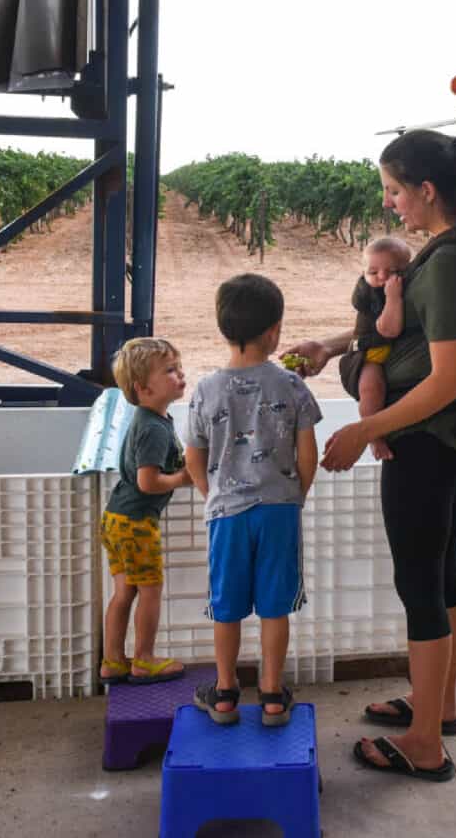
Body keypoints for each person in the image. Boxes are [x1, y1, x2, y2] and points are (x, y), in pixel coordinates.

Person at [283, 129, 456, 781]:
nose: (390, 205)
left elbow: (443, 376)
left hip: (427, 436)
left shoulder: (444, 263)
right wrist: (334, 346)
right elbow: (407, 328)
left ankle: (423, 743)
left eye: (394, 191)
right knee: (442, 569)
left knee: (420, 581)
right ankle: (439, 705)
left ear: (427, 191)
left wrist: (365, 428)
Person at [185, 274, 321, 726]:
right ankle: (271, 696)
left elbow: (194, 456)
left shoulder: (205, 390)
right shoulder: (292, 387)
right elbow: (308, 453)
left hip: (226, 513)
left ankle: (224, 693)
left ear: (223, 329)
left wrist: (215, 495)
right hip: (279, 509)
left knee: (226, 605)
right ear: (275, 332)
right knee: (274, 605)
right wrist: (294, 495)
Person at [100, 338, 193, 685]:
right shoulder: (153, 428)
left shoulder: (153, 419)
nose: (180, 374)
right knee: (150, 590)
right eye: (170, 371)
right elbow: (148, 482)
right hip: (136, 523)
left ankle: (112, 661)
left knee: (124, 591)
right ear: (142, 388)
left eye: (178, 366)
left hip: (115, 518)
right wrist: (185, 478)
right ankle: (144, 659)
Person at [344, 236, 411, 460]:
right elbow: (388, 330)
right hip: (369, 355)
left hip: (390, 354)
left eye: (391, 272)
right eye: (373, 272)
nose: (381, 278)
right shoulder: (368, 294)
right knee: (372, 390)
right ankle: (373, 436)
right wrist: (393, 298)